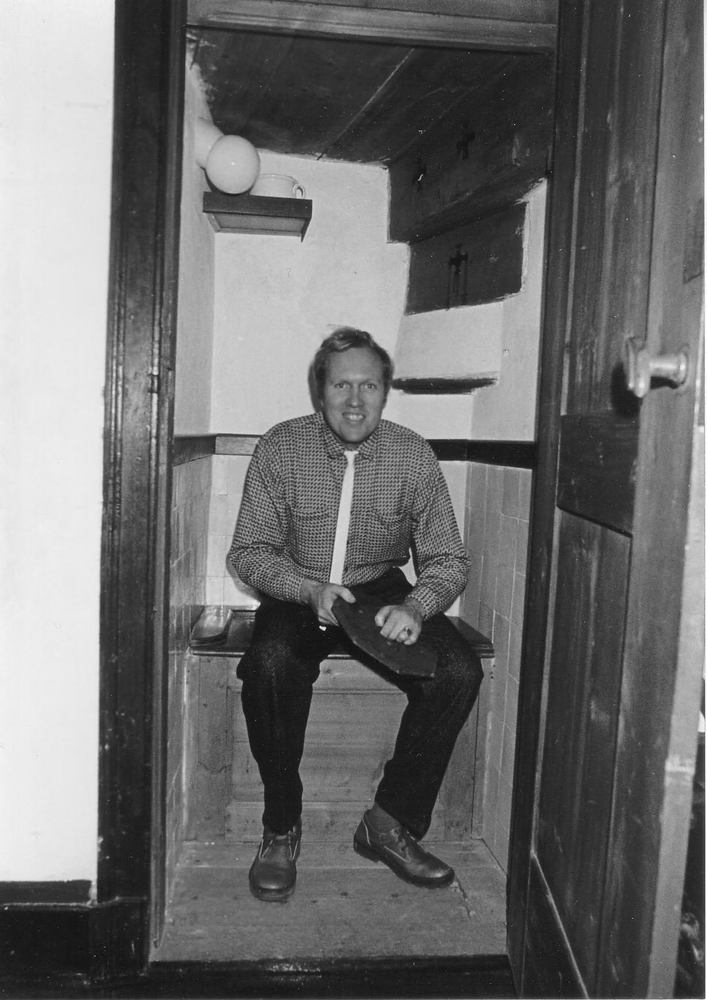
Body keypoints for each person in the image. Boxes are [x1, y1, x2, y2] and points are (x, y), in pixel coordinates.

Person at [229, 327, 483, 902]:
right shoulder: (280, 447)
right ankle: (280, 826)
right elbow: (249, 551)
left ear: (385, 392)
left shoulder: (412, 454)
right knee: (269, 664)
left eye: (369, 385)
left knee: (457, 672)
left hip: (380, 590)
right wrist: (306, 589)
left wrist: (415, 605)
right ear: (319, 391)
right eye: (341, 385)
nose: (354, 400)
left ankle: (388, 823)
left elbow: (448, 558)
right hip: (301, 588)